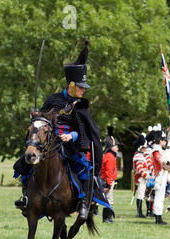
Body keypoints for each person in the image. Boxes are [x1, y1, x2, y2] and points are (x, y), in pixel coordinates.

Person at [13, 40, 109, 220]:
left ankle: (83, 204)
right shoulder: (53, 99)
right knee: (24, 164)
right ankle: (26, 197)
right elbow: (41, 116)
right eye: (81, 87)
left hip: (69, 145)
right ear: (71, 85)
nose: (83, 91)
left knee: (85, 170)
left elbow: (83, 130)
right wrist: (35, 115)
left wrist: (71, 136)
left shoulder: (82, 105)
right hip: (48, 142)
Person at [132, 133, 155, 218]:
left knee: (148, 195)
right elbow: (141, 170)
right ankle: (139, 212)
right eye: (144, 147)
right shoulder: (138, 156)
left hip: (145, 178)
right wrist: (148, 176)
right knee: (141, 195)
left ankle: (148, 211)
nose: (146, 149)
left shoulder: (142, 155)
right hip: (141, 179)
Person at [150, 129, 169, 225]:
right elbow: (161, 161)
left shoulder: (159, 150)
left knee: (160, 197)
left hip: (162, 175)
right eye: (164, 140)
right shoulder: (157, 150)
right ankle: (158, 217)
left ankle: (159, 216)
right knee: (159, 197)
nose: (165, 142)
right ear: (160, 141)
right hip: (159, 176)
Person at [101, 134, 119, 223]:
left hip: (107, 179)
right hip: (107, 180)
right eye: (116, 146)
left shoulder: (108, 155)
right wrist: (109, 183)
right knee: (109, 199)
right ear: (111, 146)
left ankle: (107, 218)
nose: (117, 148)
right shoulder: (110, 157)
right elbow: (109, 172)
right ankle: (107, 218)